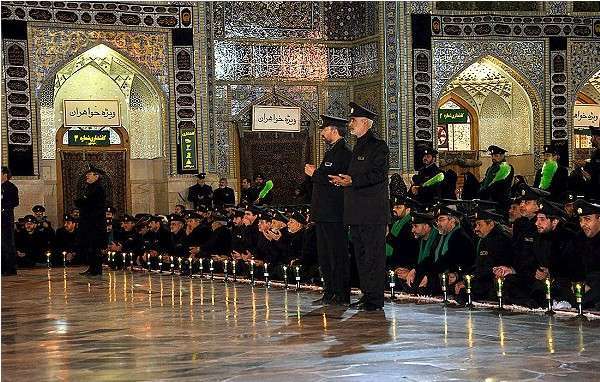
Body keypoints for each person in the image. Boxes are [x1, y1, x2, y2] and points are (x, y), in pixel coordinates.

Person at [330, 102, 390, 311]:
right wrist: (343, 180)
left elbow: (378, 175)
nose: (350, 124)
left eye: (353, 121)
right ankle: (367, 295)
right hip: (357, 213)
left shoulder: (378, 146)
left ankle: (375, 300)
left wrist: (352, 181)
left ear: (365, 122)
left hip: (372, 214)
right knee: (361, 256)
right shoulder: (358, 147)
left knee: (373, 256)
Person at [305, 114, 353, 305]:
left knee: (337, 254)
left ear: (334, 130)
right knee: (325, 255)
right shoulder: (332, 152)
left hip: (334, 213)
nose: (323, 134)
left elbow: (336, 181)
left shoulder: (344, 153)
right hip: (324, 213)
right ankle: (330, 291)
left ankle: (341, 294)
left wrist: (314, 173)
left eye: (324, 130)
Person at [75, 165, 106, 276]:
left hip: (94, 224)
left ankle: (96, 269)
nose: (86, 176)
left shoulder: (98, 189)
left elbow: (88, 204)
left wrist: (82, 202)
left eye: (89, 174)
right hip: (88, 223)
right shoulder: (90, 188)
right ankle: (92, 268)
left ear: (96, 176)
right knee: (90, 247)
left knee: (95, 247)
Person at [572, 199, 600, 309]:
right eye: (580, 220)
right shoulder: (579, 238)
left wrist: (591, 286)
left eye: (587, 220)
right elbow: (574, 265)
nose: (583, 224)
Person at [479, 145, 514, 210]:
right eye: (492, 156)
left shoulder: (505, 167)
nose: (493, 158)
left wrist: (483, 191)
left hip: (499, 201)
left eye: (496, 156)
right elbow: (486, 181)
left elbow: (495, 184)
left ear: (502, 156)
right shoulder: (491, 168)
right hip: (489, 200)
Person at [1, 166, 19, 275]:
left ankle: (9, 268)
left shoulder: (11, 187)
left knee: (7, 243)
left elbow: (15, 202)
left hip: (6, 217)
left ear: (5, 175)